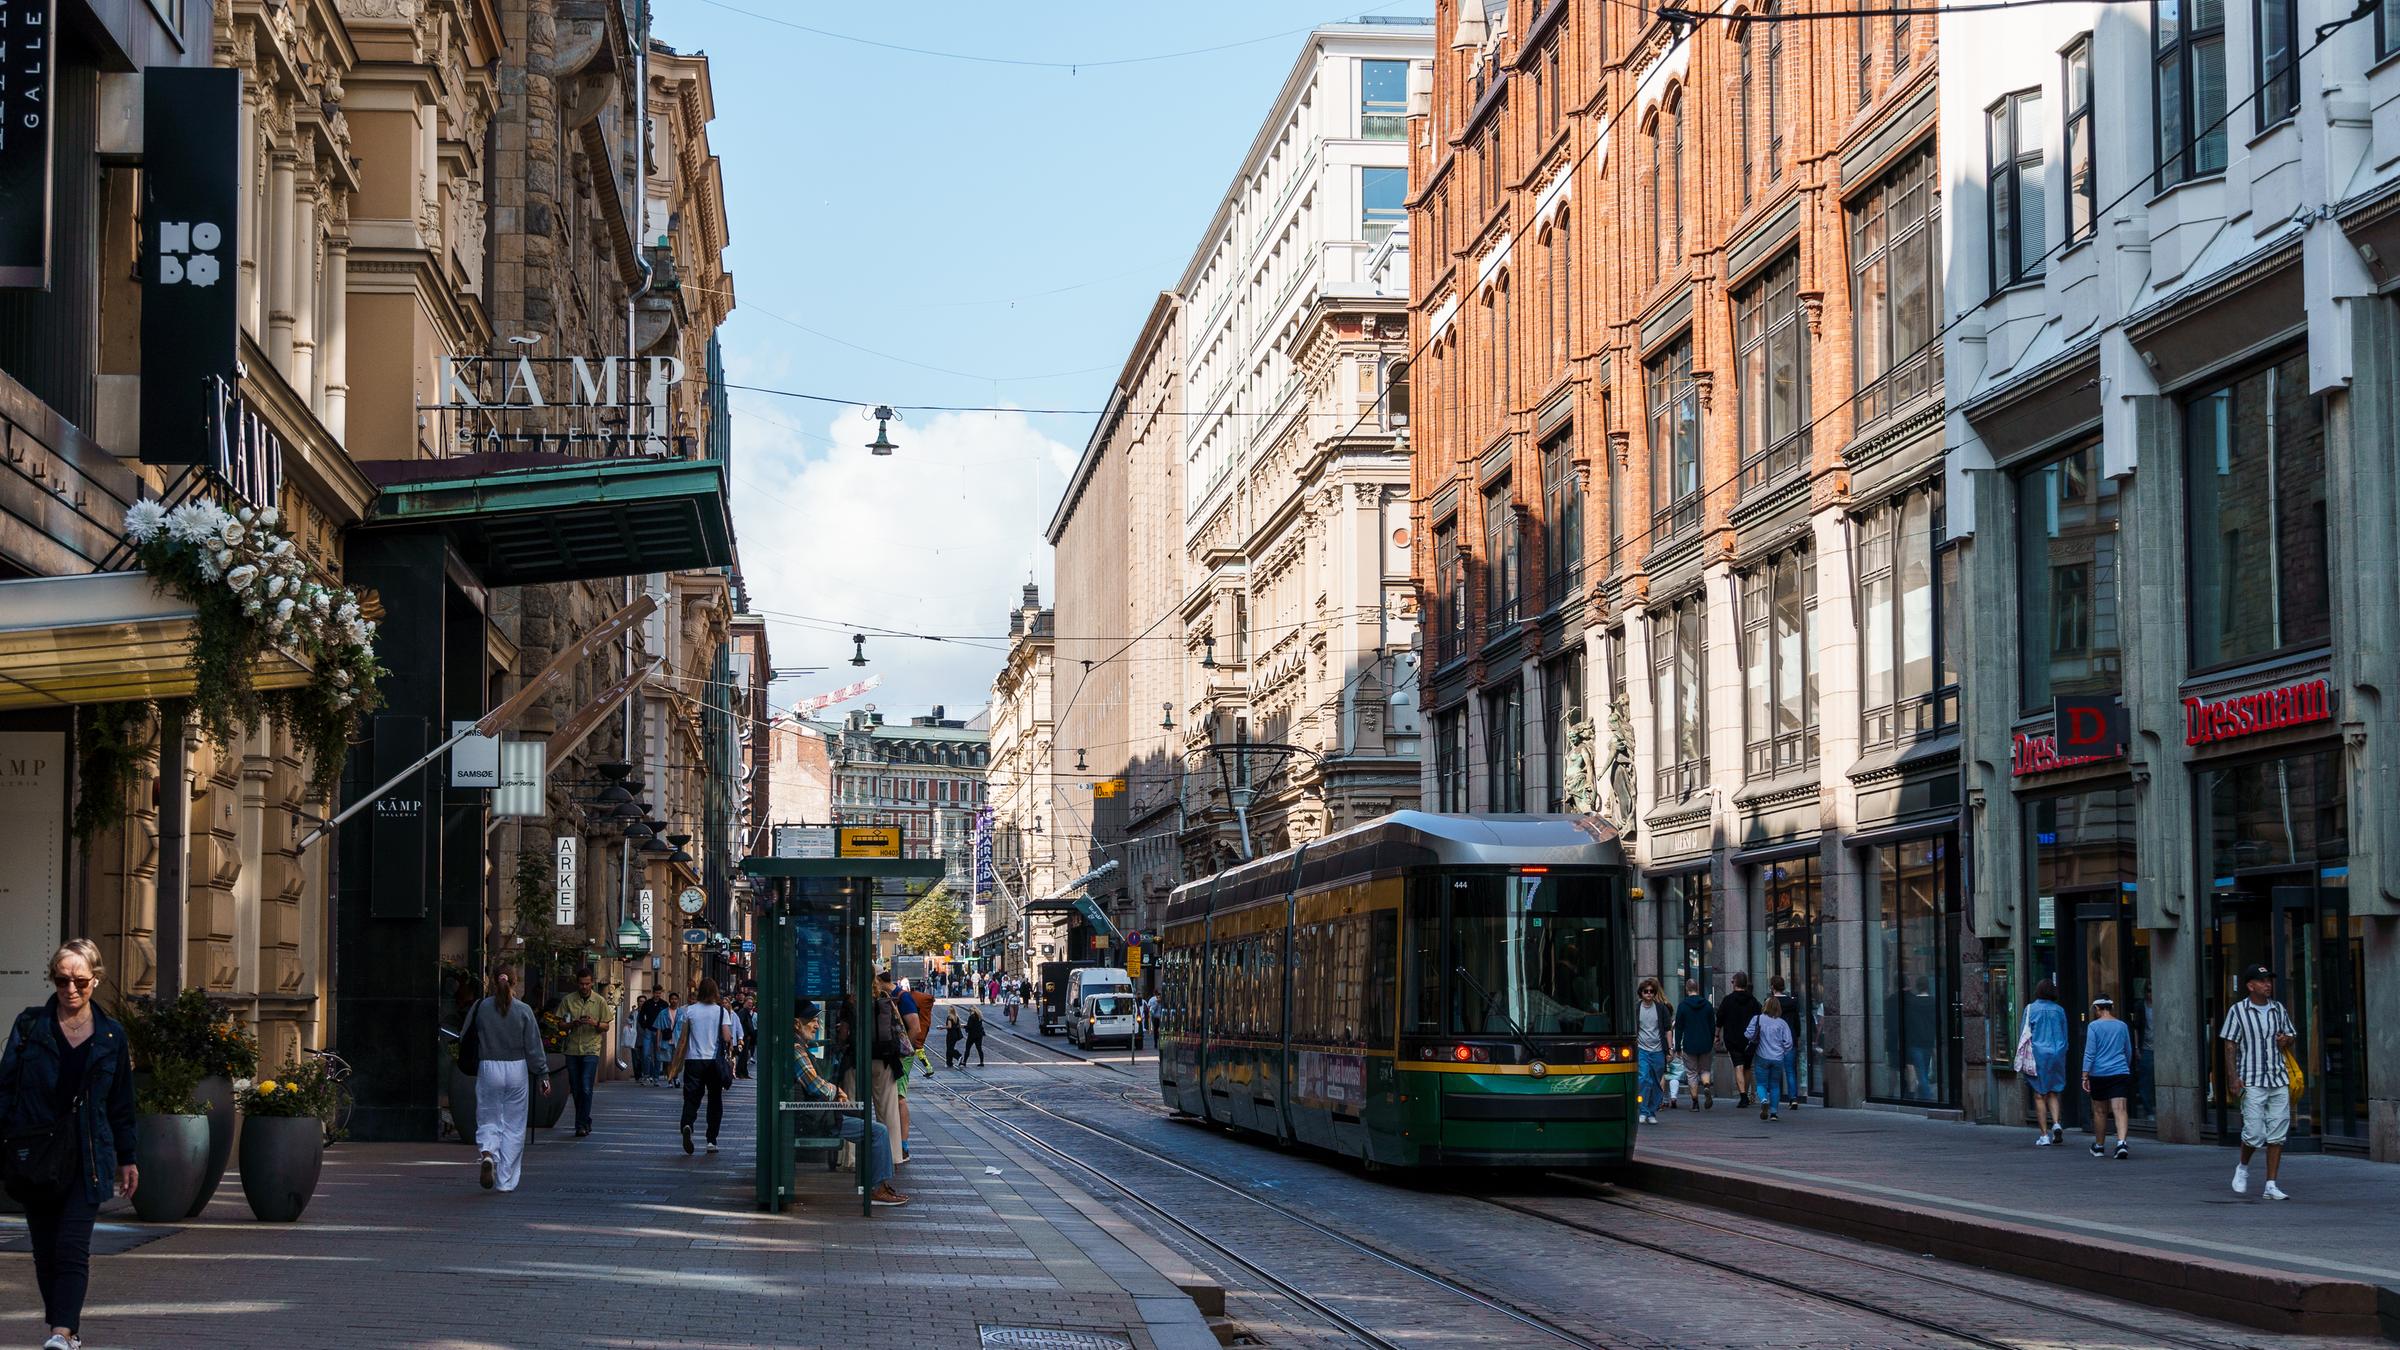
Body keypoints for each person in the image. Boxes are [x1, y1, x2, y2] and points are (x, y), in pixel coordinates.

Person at [1, 940, 137, 1350]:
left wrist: (128, 1158)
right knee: (45, 1251)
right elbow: (5, 1092)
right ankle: (67, 1330)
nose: (71, 989)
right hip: (38, 1157)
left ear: (96, 979)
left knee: (72, 1246)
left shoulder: (112, 1034)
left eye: (80, 981)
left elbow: (121, 1103)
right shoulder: (29, 1027)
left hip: (89, 1155)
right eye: (62, 980)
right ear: (53, 979)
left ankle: (60, 1332)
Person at [467, 970, 552, 1191]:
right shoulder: (524, 1011)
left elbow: (466, 1033)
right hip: (517, 1067)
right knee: (514, 1125)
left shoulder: (482, 1007)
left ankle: (488, 1154)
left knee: (488, 1116)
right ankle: (505, 1180)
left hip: (488, 1066)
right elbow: (534, 1046)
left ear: (493, 981)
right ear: (515, 982)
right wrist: (542, 1074)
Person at [2221, 964, 2298, 1200]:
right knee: (2254, 1132)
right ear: (2250, 985)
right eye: (2263, 981)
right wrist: (2233, 1078)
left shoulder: (2277, 1009)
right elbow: (2230, 1044)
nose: (2268, 985)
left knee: (2277, 1133)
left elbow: (2291, 1035)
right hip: (2251, 1079)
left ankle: (2271, 1184)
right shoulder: (2238, 1011)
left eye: (2269, 981)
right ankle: (2242, 1167)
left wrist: (2287, 1039)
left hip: (2278, 1078)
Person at [667, 978, 738, 1155]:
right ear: (715, 992)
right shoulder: (722, 1011)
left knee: (691, 1097)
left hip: (693, 1061)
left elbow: (684, 1037)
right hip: (714, 1062)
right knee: (715, 1100)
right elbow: (727, 1037)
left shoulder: (690, 1011)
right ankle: (711, 1140)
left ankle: (687, 1124)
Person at [557, 969, 610, 1137]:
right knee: (576, 1088)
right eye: (581, 984)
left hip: (591, 1049)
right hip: (572, 1049)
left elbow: (606, 1026)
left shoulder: (599, 1001)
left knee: (586, 1087)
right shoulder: (568, 1000)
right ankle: (585, 1120)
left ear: (592, 983)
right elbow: (560, 1024)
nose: (584, 987)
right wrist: (573, 1023)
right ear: (577, 983)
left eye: (587, 983)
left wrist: (594, 1023)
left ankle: (580, 1124)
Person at [2082, 996, 2135, 1160]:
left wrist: (2085, 1074)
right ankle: (2121, 1143)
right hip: (2119, 1071)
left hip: (2099, 1073)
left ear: (2098, 1008)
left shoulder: (2093, 1026)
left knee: (2099, 1111)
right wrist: (2125, 1066)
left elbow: (2090, 1052)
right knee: (2120, 1109)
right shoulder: (2122, 1026)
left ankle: (2099, 1146)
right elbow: (2128, 1050)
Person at [2021, 979, 2070, 1146]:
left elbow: (2025, 1033)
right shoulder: (2059, 1010)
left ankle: (2044, 1135)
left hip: (2038, 1054)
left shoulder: (2031, 1009)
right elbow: (2065, 1034)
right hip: (2058, 1054)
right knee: (2053, 1092)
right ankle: (2056, 1122)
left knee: (2039, 1095)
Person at [868, 971, 906, 1161]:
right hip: (885, 1060)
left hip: (858, 1060)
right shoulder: (885, 999)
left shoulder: (852, 999)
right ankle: (893, 1155)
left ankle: (850, 1157)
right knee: (888, 1111)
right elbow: (899, 1028)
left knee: (853, 1108)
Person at [1716, 973, 1761, 1109]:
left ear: (1735, 983)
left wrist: (1716, 1035)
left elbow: (1720, 1019)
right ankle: (1745, 1094)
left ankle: (1743, 1096)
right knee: (1747, 1067)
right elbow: (1759, 1018)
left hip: (1733, 1039)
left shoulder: (1728, 1000)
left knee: (1738, 1066)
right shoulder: (1753, 1001)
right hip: (1749, 1040)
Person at [1671, 980, 1716, 1110]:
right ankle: (1706, 1085)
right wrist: (1711, 1040)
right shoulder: (1707, 1005)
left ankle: (1695, 1102)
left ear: (1686, 989)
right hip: (1705, 1044)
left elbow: (1678, 1028)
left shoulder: (1683, 1006)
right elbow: (1712, 1026)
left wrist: (1677, 1048)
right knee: (1705, 1069)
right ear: (1698, 988)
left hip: (1689, 1044)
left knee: (1691, 1073)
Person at [1748, 995, 1795, 1120]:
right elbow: (1789, 1042)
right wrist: (1782, 1051)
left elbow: (1748, 1034)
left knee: (1761, 1083)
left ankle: (1764, 1100)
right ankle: (1774, 1112)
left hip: (1762, 1056)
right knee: (1775, 1085)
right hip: (1777, 1058)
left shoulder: (1757, 1019)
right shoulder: (1782, 1023)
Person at [1633, 978, 1668, 1125]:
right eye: (1646, 991)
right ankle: (1643, 1111)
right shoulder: (1636, 1008)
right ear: (1641, 993)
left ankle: (1651, 1111)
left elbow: (1668, 1029)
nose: (1649, 994)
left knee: (1655, 1083)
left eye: (1651, 991)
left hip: (1658, 1050)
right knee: (1644, 1079)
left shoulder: (1661, 1009)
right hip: (1642, 1049)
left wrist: (1670, 1049)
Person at [652, 994, 679, 1087]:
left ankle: (676, 1077)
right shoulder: (663, 1013)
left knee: (676, 1061)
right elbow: (659, 1028)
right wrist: (657, 1042)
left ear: (678, 1000)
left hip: (677, 1040)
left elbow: (684, 1028)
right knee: (668, 1061)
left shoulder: (682, 1013)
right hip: (666, 1040)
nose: (673, 1001)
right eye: (672, 999)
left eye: (675, 999)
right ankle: (670, 1080)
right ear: (669, 1000)